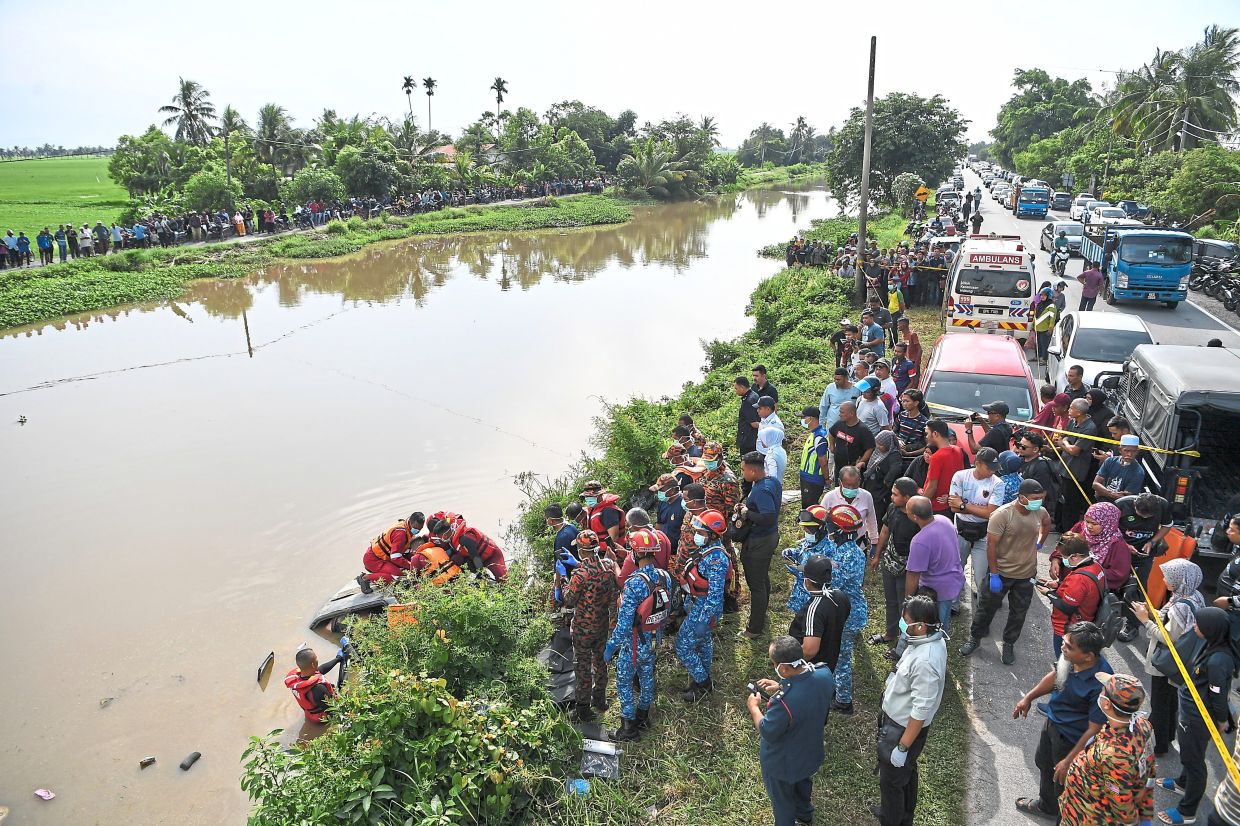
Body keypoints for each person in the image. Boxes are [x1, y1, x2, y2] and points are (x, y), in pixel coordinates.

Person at [1012, 621, 1112, 820]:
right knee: (1044, 763)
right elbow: (1056, 676)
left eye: (1068, 646)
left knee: (1064, 784)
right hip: (1052, 725)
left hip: (1072, 742)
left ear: (1088, 656)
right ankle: (1047, 807)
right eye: (1064, 642)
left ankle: (1064, 817)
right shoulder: (1070, 658)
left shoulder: (1102, 683)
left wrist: (1068, 760)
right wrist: (1028, 698)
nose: (1062, 647)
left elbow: (1094, 729)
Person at [1158, 607, 1240, 826]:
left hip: (1197, 719)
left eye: (1198, 624)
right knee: (1190, 753)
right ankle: (1183, 782)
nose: (1194, 626)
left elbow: (1218, 697)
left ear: (1211, 629)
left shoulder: (1218, 661)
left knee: (1194, 762)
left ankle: (1187, 811)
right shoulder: (1212, 644)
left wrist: (1221, 721)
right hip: (1191, 712)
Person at [874, 593, 949, 826]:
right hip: (900, 725)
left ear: (920, 625)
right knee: (905, 773)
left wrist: (902, 747)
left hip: (902, 729)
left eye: (905, 620)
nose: (902, 623)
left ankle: (892, 819)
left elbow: (921, 710)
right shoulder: (926, 640)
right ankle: (900, 816)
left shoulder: (926, 661)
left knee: (892, 781)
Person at [960, 479, 1052, 664]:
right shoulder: (1002, 515)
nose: (1038, 502)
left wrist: (1040, 543)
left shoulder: (1040, 512)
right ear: (1022, 498)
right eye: (1035, 498)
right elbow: (991, 547)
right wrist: (994, 574)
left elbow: (1046, 523)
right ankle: (975, 638)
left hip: (1026, 574)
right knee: (986, 609)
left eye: (1041, 498)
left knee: (1019, 613)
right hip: (1001, 572)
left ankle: (1009, 644)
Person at [747, 635, 835, 826]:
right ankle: (805, 814)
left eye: (774, 663)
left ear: (784, 668)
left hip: (783, 763)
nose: (774, 667)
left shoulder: (784, 702)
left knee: (782, 803)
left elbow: (768, 731)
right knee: (803, 784)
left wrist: (754, 708)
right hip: (810, 752)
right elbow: (808, 690)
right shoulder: (824, 674)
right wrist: (782, 685)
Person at [1057, 673, 1156, 826]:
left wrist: (1135, 822)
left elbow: (1121, 803)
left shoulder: (1113, 756)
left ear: (1107, 704)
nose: (1101, 692)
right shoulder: (1143, 725)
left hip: (1088, 817)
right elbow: (1148, 767)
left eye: (1103, 691)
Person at [605, 531, 673, 740]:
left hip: (634, 642)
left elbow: (624, 623)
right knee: (646, 675)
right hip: (654, 637)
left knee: (624, 680)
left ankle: (628, 727)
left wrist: (611, 645)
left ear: (635, 553)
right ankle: (643, 715)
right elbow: (668, 608)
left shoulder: (634, 583)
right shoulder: (665, 577)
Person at [1134, 558, 1204, 756]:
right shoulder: (1193, 595)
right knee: (1170, 700)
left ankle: (1158, 745)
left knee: (1159, 703)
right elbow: (1170, 621)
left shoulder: (1179, 607)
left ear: (1179, 580)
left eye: (1168, 577)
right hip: (1183, 661)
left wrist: (1145, 621)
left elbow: (1167, 637)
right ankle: (1168, 735)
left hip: (1167, 663)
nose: (1164, 580)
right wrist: (1152, 612)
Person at [815, 504, 869, 714]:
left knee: (842, 657)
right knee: (835, 652)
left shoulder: (850, 555)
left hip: (848, 615)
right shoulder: (840, 548)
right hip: (840, 611)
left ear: (839, 529)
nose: (826, 528)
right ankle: (835, 689)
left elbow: (834, 582)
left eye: (829, 525)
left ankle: (843, 700)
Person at [561, 529, 620, 722]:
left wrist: (563, 580)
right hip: (602, 625)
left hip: (583, 629)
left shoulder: (580, 574)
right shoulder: (608, 566)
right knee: (600, 663)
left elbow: (569, 599)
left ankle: (583, 709)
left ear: (580, 550)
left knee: (583, 667)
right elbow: (613, 597)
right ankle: (600, 700)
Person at [676, 509, 731, 702]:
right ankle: (701, 682)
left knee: (682, 646)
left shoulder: (716, 559)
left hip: (704, 607)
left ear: (713, 535)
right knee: (703, 644)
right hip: (696, 603)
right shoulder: (707, 550)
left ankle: (703, 682)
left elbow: (715, 595)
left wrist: (704, 620)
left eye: (701, 533)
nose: (697, 535)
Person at [870, 478, 922, 648]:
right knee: (891, 601)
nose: (891, 497)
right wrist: (877, 555)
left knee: (905, 604)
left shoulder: (917, 517)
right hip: (890, 562)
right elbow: (885, 531)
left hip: (908, 568)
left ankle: (904, 639)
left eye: (895, 494)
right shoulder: (892, 508)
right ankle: (890, 633)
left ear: (907, 498)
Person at [948, 447, 1004, 606]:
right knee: (956, 570)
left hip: (983, 534)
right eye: (989, 468)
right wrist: (979, 509)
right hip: (960, 531)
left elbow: (991, 513)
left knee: (981, 577)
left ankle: (981, 610)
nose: (992, 472)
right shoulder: (960, 476)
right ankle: (953, 604)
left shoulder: (998, 483)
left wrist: (963, 505)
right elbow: (953, 507)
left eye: (995, 468)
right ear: (977, 463)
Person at [737, 451, 783, 638]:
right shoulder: (772, 481)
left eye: (744, 470)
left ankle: (754, 628)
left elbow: (767, 517)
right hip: (768, 537)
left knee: (756, 584)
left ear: (754, 471)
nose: (742, 473)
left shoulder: (762, 490)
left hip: (759, 540)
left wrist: (747, 513)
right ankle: (761, 611)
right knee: (762, 577)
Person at [904, 495, 967, 626]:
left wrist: (908, 601)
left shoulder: (919, 541)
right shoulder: (944, 520)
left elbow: (913, 575)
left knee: (936, 626)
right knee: (943, 621)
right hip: (953, 581)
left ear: (914, 517)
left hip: (936, 590)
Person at [1038, 534, 1105, 656]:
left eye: (1064, 557)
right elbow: (1083, 591)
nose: (1064, 560)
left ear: (1075, 556)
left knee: (1064, 659)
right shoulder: (1096, 566)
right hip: (1086, 621)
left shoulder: (1079, 578)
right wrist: (1058, 585)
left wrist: (1048, 593)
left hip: (1067, 629)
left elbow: (1067, 607)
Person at [788, 552, 850, 677]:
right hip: (829, 662)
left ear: (807, 582)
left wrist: (791, 666)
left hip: (810, 670)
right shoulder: (840, 596)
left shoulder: (814, 609)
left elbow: (809, 650)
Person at [699, 442, 743, 611]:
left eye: (711, 460)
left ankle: (731, 594)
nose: (708, 463)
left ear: (720, 458)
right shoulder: (707, 473)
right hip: (705, 525)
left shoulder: (728, 480)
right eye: (706, 459)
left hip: (720, 527)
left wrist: (723, 531)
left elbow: (732, 509)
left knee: (727, 558)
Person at [1056, 399, 1099, 531]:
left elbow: (1075, 451)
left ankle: (1068, 530)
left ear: (1079, 412)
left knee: (1071, 503)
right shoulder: (1072, 421)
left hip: (1075, 472)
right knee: (1061, 498)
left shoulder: (1089, 428)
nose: (1069, 410)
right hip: (1064, 467)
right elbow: (1060, 439)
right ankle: (1059, 525)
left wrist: (1065, 443)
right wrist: (1066, 444)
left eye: (1071, 408)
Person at [356, 512, 424, 592]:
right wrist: (411, 566)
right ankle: (365, 578)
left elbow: (404, 550)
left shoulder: (406, 526)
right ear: (410, 522)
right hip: (374, 559)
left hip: (383, 556)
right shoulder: (400, 534)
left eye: (420, 529)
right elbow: (395, 557)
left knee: (406, 568)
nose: (417, 531)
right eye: (415, 528)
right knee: (396, 576)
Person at [285, 642, 348, 723]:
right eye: (316, 658)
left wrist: (338, 659)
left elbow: (320, 670)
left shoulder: (298, 680)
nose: (317, 659)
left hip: (309, 715)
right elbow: (332, 711)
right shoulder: (319, 689)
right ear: (312, 664)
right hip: (322, 718)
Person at [431, 516, 508, 581]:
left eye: (441, 537)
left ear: (445, 534)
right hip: (478, 558)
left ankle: (485, 577)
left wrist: (480, 574)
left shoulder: (464, 538)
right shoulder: (452, 541)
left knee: (503, 580)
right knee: (456, 558)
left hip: (491, 556)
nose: (441, 539)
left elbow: (475, 557)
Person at [823, 465, 880, 545]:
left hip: (858, 543)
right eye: (847, 485)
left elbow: (871, 520)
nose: (851, 489)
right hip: (834, 545)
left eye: (854, 485)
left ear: (859, 481)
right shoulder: (829, 497)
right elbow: (821, 520)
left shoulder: (866, 496)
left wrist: (874, 542)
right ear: (840, 482)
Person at [922, 419, 966, 517]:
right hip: (950, 504)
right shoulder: (958, 450)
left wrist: (921, 505)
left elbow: (932, 486)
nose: (926, 437)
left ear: (935, 434)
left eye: (927, 433)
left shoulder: (937, 457)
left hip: (936, 506)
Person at [1016, 431, 1060, 524]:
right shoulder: (1020, 459)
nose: (1019, 448)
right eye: (1018, 444)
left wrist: (1032, 515)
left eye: (1024, 447)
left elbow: (1041, 494)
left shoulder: (1041, 467)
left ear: (1035, 449)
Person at [828, 402, 875, 484]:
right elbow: (831, 433)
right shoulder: (839, 424)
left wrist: (861, 462)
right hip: (839, 467)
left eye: (842, 412)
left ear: (851, 414)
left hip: (852, 470)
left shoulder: (863, 430)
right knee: (838, 488)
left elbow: (870, 448)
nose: (839, 415)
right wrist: (832, 446)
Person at [545, 504, 580, 615]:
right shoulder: (571, 527)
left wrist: (557, 587)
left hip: (570, 576)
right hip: (578, 570)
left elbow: (560, 565)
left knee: (554, 603)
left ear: (550, 521)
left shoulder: (562, 538)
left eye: (546, 519)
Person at [1093, 434, 1145, 502]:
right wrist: (1111, 494)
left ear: (1137, 451)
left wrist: (1102, 491)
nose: (1129, 454)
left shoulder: (1138, 472)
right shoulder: (1110, 461)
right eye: (1126, 451)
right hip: (1102, 501)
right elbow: (1095, 484)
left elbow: (1126, 498)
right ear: (1120, 450)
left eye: (1133, 451)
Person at [862, 431, 903, 517]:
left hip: (881, 489)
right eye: (877, 443)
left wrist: (886, 480)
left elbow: (895, 470)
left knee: (877, 511)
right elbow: (873, 463)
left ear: (888, 444)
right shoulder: (878, 451)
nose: (878, 446)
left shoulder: (894, 455)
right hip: (871, 484)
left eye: (881, 445)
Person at [579, 480, 626, 553]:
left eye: (591, 496)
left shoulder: (608, 511)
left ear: (600, 495)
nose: (588, 499)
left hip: (612, 553)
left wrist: (608, 555)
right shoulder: (593, 508)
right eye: (586, 496)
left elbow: (614, 538)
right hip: (597, 550)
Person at [797, 408, 830, 507]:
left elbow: (823, 462)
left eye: (803, 417)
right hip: (807, 477)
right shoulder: (814, 433)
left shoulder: (819, 437)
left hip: (813, 479)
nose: (802, 420)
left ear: (811, 418)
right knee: (806, 506)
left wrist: (827, 479)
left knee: (809, 507)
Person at [819, 368, 860, 440]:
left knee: (848, 442)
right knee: (832, 443)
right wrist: (821, 424)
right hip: (833, 425)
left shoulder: (856, 388)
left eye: (839, 380)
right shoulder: (830, 387)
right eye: (835, 379)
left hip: (850, 426)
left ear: (846, 378)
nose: (836, 381)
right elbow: (823, 406)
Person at [651, 472, 686, 556]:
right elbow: (659, 524)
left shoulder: (684, 505)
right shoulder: (663, 502)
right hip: (663, 548)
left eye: (661, 490)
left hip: (677, 551)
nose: (658, 492)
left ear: (672, 490)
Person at [756, 396, 787, 483]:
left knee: (768, 481)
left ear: (768, 409)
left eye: (760, 408)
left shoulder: (775, 424)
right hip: (761, 454)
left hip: (768, 456)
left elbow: (773, 477)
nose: (757, 411)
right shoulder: (764, 418)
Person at [1032, 287, 1059, 360]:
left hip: (1045, 329)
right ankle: (1037, 356)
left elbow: (1052, 318)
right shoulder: (1039, 304)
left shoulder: (1052, 306)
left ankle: (1044, 359)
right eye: (1041, 295)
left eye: (1044, 295)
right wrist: (1033, 325)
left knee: (1045, 345)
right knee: (1037, 344)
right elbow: (1035, 315)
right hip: (1037, 328)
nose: (1042, 297)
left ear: (1049, 296)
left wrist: (1050, 328)